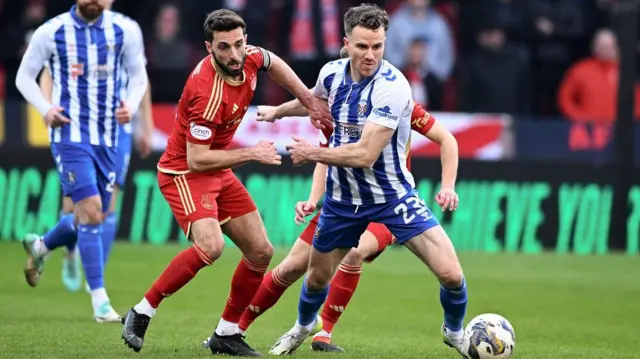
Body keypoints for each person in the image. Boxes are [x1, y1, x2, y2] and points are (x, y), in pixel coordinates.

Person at [120, 9, 330, 355]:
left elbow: (272, 61)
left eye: (238, 44)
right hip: (185, 174)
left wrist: (308, 100)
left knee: (261, 251)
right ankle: (142, 310)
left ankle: (226, 333)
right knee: (211, 247)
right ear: (208, 47)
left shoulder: (248, 56)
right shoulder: (206, 91)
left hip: (218, 168)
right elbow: (197, 159)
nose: (234, 55)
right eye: (223, 48)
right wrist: (251, 153)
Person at [268, 4, 468, 356]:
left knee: (451, 274)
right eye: (363, 47)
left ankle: (454, 333)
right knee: (315, 278)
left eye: (378, 46)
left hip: (393, 198)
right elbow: (314, 102)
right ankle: (303, 327)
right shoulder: (331, 73)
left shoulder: (393, 87)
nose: (371, 55)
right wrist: (277, 111)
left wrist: (314, 153)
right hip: (343, 201)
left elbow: (365, 155)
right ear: (347, 43)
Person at [202, 86, 458, 353]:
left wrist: (448, 185)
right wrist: (313, 199)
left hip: (388, 206)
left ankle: (323, 333)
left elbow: (446, 139)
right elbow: (319, 140)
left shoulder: (394, 101)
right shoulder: (340, 106)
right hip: (343, 204)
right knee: (290, 267)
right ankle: (232, 331)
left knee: (354, 252)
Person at [15, 0, 148, 322]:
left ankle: (43, 246)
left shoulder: (126, 30)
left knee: (97, 213)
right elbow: (24, 77)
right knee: (89, 211)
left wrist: (131, 106)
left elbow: (138, 75)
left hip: (110, 136)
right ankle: (100, 301)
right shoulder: (52, 31)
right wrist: (46, 109)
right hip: (69, 134)